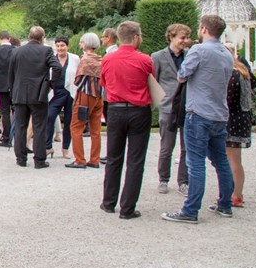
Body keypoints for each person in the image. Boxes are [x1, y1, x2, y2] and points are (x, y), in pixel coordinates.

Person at [163, 15, 236, 224]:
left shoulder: (199, 50)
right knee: (221, 160)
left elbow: (181, 75)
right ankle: (225, 204)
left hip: (199, 113)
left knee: (195, 163)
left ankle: (191, 209)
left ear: (203, 29)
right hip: (220, 114)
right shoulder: (226, 53)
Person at [100, 21, 153, 220]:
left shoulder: (108, 59)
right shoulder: (145, 59)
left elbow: (104, 83)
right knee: (135, 160)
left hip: (115, 110)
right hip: (139, 111)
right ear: (136, 37)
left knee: (113, 157)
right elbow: (151, 83)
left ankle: (108, 202)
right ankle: (127, 207)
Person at [9, 26, 62, 169]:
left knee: (20, 126)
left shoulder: (17, 51)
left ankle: (20, 158)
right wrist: (50, 84)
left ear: (29, 36)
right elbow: (57, 67)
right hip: (38, 93)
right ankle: (39, 160)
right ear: (42, 38)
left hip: (19, 93)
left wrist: (13, 92)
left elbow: (11, 74)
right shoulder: (46, 50)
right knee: (39, 127)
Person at [152, 24, 191, 194]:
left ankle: (183, 181)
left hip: (188, 105)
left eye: (187, 38)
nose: (185, 41)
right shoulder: (158, 56)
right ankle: (163, 179)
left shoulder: (190, 55)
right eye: (182, 38)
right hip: (168, 106)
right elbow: (153, 82)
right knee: (167, 146)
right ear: (171, 37)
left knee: (186, 147)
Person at [66, 33, 103, 169]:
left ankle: (80, 159)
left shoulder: (85, 60)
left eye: (81, 42)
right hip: (99, 96)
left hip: (86, 95)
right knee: (96, 128)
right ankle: (95, 159)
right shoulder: (100, 59)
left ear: (86, 44)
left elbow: (78, 80)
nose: (80, 44)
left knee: (76, 127)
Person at [224, 44, 252, 209]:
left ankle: (235, 194)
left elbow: (226, 99)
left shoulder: (232, 74)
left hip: (233, 120)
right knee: (236, 160)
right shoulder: (243, 70)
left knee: (232, 160)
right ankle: (237, 193)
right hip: (243, 118)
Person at [46, 37, 79, 159]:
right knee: (49, 116)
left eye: (62, 45)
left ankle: (65, 148)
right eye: (58, 45)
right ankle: (48, 146)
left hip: (70, 93)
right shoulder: (51, 58)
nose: (60, 48)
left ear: (67, 46)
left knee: (69, 121)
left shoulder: (74, 58)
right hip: (55, 93)